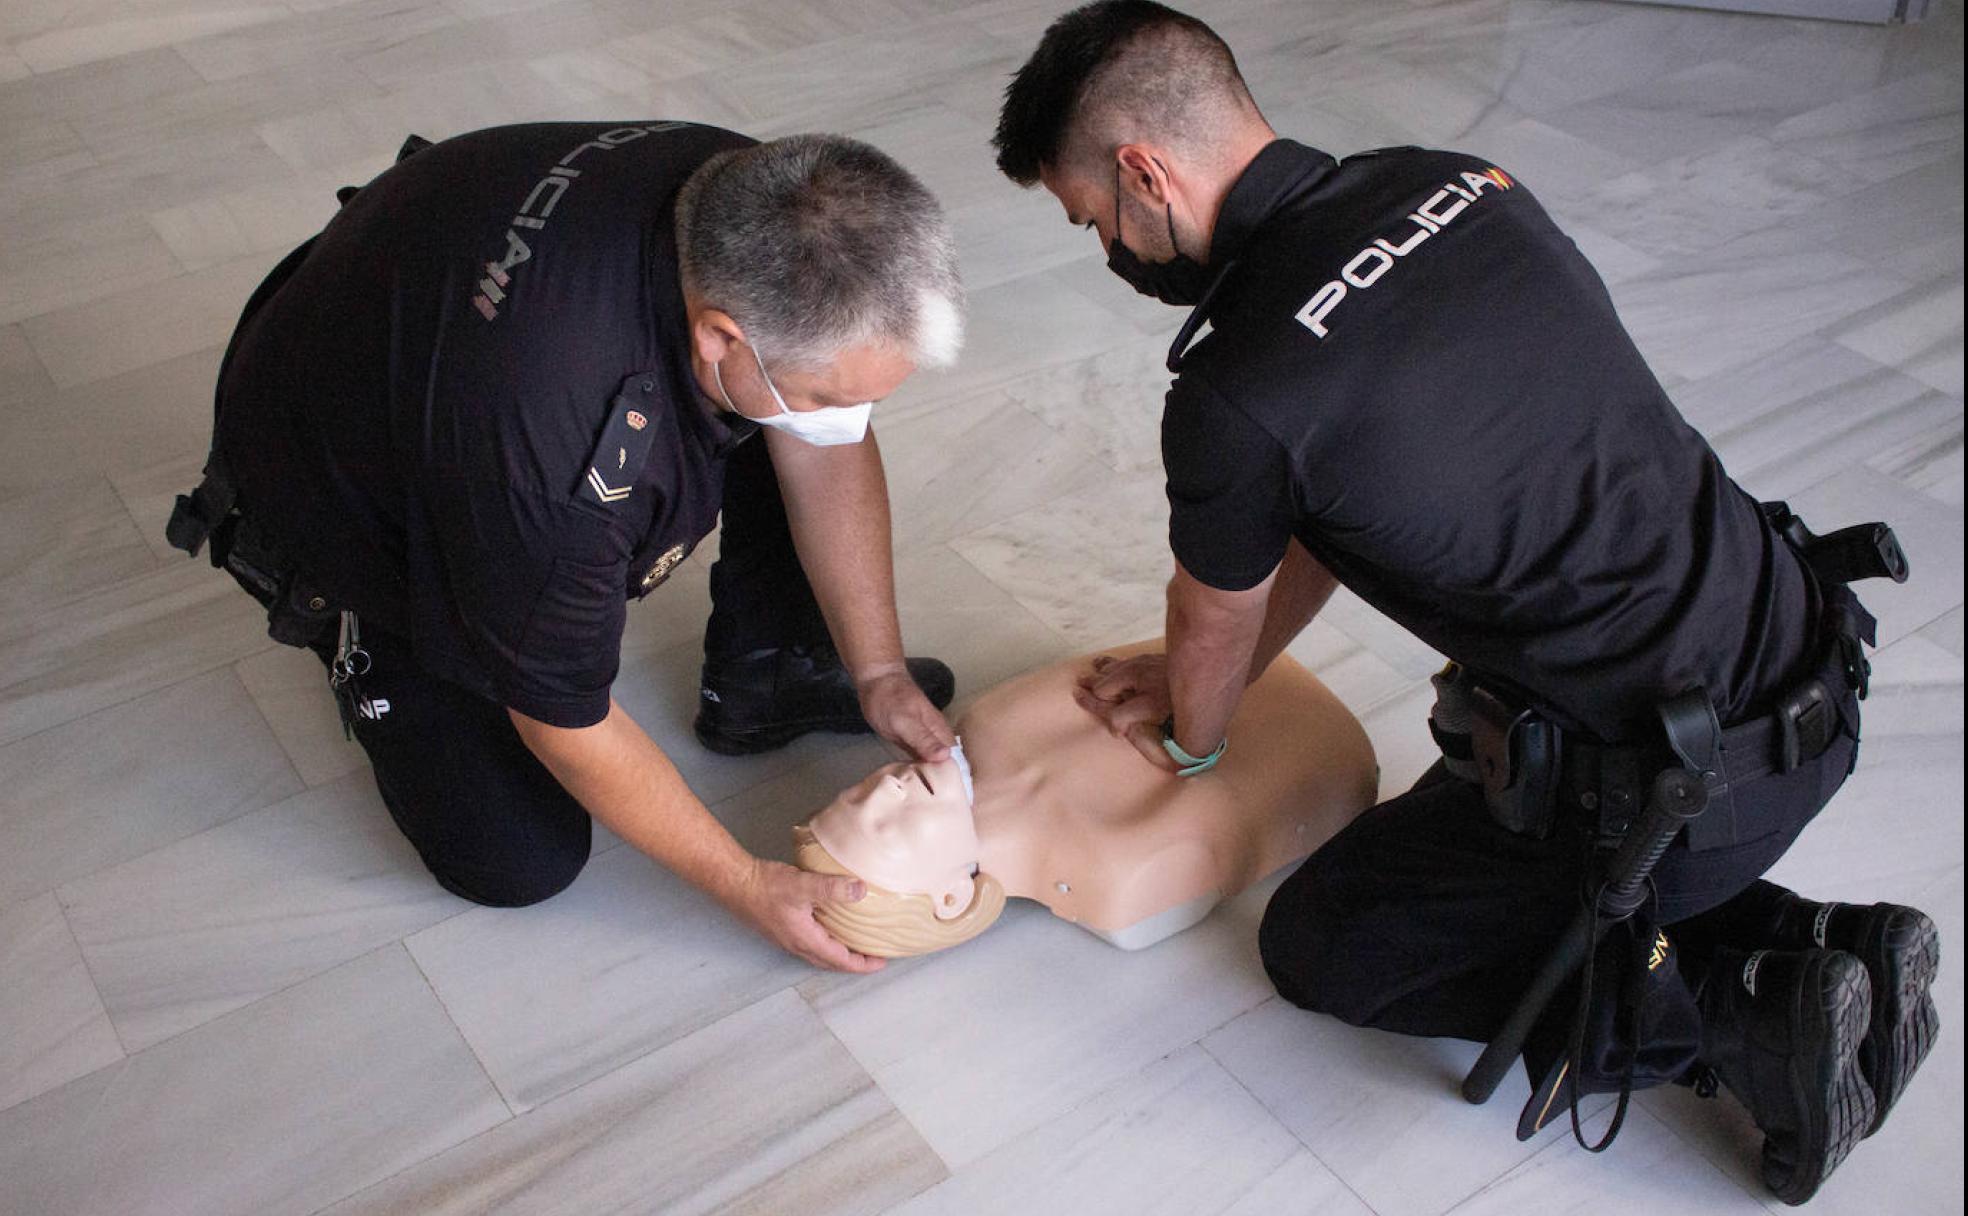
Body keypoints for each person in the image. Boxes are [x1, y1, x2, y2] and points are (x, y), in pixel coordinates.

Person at [991, 2, 1938, 1204]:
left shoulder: (1238, 387)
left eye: (1096, 219)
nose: (1109, 247)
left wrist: (1193, 728)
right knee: (1472, 804)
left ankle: (1753, 1020)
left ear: (1144, 172)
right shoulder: (1456, 181)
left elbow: (1219, 618)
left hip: (1678, 793)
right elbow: (1339, 517)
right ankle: (1822, 947)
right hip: (1808, 660)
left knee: (1326, 942)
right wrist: (1198, 668)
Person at [166, 121, 967, 975]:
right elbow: (566, 722)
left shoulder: (771, 204)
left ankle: (764, 672)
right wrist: (743, 881)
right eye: (828, 395)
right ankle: (361, 632)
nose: (846, 420)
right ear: (720, 337)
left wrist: (877, 671)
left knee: (779, 416)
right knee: (518, 859)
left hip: (419, 300)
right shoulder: (550, 460)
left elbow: (825, 442)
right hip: (338, 465)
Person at [794, 641, 1380, 956]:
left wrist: (1213, 665)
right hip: (1317, 740)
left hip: (1252, 646)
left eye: (856, 795)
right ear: (949, 897)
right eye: (885, 826)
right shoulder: (1117, 874)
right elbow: (1218, 807)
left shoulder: (988, 719)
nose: (884, 787)